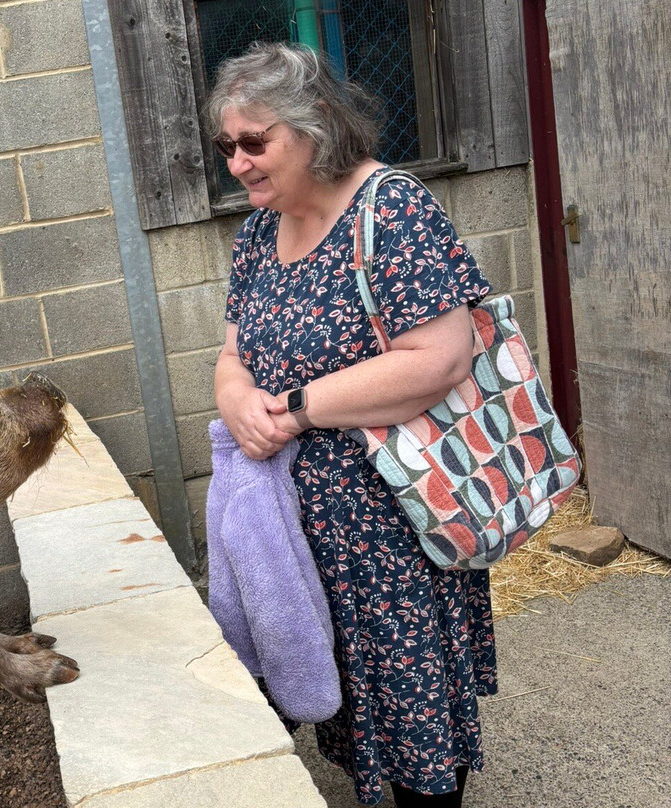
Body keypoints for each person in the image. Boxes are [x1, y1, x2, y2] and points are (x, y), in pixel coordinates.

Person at [209, 42, 497, 807]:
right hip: (303, 528)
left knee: (414, 716)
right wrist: (236, 396)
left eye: (254, 141)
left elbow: (439, 357)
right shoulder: (256, 237)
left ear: (316, 126)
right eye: (227, 145)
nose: (237, 163)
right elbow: (233, 353)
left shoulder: (391, 208)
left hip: (396, 526)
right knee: (352, 704)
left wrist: (298, 410)